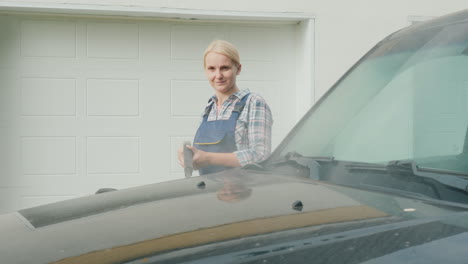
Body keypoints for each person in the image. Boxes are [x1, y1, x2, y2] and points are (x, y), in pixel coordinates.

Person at [178, 40, 273, 175]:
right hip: (207, 188)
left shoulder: (253, 102)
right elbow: (202, 156)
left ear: (238, 69)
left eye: (225, 68)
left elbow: (260, 155)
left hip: (242, 190)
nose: (218, 76)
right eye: (211, 69)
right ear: (205, 71)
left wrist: (208, 158)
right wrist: (189, 156)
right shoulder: (209, 108)